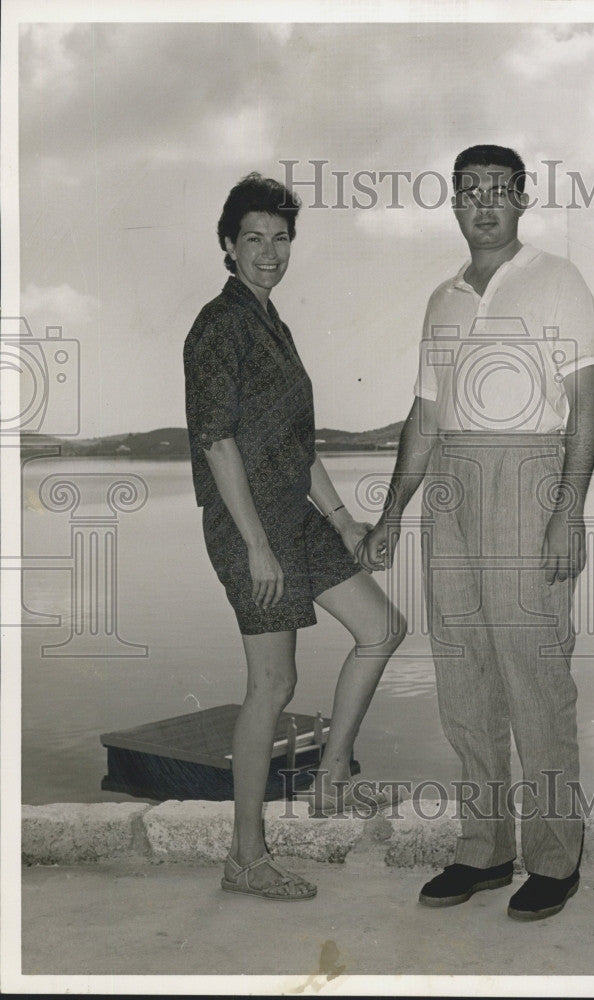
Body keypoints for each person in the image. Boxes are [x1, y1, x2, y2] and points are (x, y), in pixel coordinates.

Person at [357, 144, 594, 920]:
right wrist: (392, 514)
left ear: (523, 199)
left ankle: (555, 860)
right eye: (470, 192)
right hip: (453, 488)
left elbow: (587, 406)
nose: (485, 204)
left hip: (529, 480)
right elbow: (425, 416)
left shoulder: (559, 278)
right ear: (454, 204)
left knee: (535, 676)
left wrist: (568, 513)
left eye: (500, 190)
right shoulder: (441, 299)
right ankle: (484, 849)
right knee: (463, 676)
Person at [184, 173, 406, 901]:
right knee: (273, 684)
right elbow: (218, 444)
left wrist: (342, 520)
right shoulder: (219, 327)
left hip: (297, 518)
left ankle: (333, 770)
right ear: (228, 245)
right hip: (249, 524)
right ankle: (246, 857)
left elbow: (295, 443)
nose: (270, 252)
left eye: (281, 239)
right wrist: (253, 544)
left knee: (381, 626)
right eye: (255, 239)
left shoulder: (272, 322)